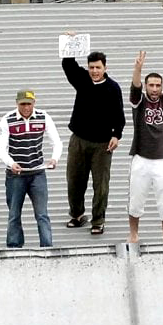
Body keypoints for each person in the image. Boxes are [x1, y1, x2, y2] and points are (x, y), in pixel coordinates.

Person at [62, 48, 124, 235]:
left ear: (105, 67)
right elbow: (68, 65)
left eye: (98, 67)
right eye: (91, 67)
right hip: (78, 140)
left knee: (101, 185)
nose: (94, 71)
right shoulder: (82, 81)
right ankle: (77, 215)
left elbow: (119, 117)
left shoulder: (113, 88)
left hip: (102, 145)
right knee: (74, 180)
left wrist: (116, 135)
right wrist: (70, 43)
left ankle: (98, 220)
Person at [126, 51, 163, 243]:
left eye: (158, 85)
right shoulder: (139, 101)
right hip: (141, 158)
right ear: (146, 86)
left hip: (162, 160)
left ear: (162, 87)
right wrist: (137, 68)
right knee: (136, 201)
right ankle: (134, 234)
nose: (154, 88)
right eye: (151, 85)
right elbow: (135, 86)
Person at [0, 89, 62, 248]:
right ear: (17, 104)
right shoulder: (8, 120)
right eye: (23, 104)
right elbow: (0, 147)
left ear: (34, 103)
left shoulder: (43, 117)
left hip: (37, 172)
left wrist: (54, 158)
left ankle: (47, 246)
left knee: (42, 214)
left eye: (29, 104)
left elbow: (57, 142)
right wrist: (11, 163)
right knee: (14, 214)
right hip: (16, 174)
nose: (26, 107)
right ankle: (14, 246)